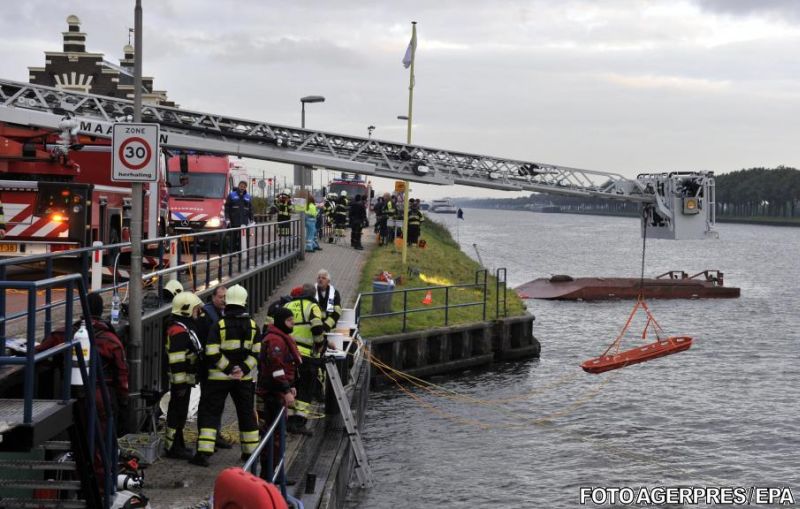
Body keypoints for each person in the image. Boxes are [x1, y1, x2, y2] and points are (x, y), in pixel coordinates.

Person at [37, 292, 130, 436]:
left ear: (82, 308)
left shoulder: (65, 334)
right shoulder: (111, 340)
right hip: (101, 395)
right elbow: (122, 374)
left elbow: (39, 352)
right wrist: (123, 402)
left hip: (72, 396)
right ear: (100, 310)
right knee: (102, 443)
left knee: (80, 442)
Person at [192, 284, 260, 466]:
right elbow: (256, 353)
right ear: (244, 302)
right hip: (243, 380)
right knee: (246, 414)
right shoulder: (253, 326)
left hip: (217, 379)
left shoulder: (219, 325)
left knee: (210, 413)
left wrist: (229, 369)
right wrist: (242, 370)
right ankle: (250, 453)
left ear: (228, 301)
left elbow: (211, 352)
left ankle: (204, 454)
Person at [256, 307, 302, 471]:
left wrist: (291, 386)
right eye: (290, 321)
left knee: (276, 435)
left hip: (276, 391)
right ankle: (269, 474)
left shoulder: (281, 338)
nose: (293, 324)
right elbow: (276, 369)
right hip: (272, 394)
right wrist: (286, 390)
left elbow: (286, 366)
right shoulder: (276, 341)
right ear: (281, 321)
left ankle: (274, 471)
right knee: (273, 435)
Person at [164, 291, 204, 459]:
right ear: (186, 310)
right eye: (196, 310)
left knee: (179, 413)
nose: (198, 313)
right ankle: (173, 448)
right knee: (177, 414)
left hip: (184, 380)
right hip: (181, 382)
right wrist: (180, 385)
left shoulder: (180, 327)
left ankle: (177, 444)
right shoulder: (179, 332)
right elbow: (177, 360)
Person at [283, 284, 326, 427]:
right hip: (307, 355)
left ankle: (288, 419)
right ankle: (299, 421)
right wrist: (320, 345)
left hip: (288, 353)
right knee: (306, 387)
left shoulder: (288, 304)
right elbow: (317, 328)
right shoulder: (313, 307)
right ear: (314, 296)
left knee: (292, 385)